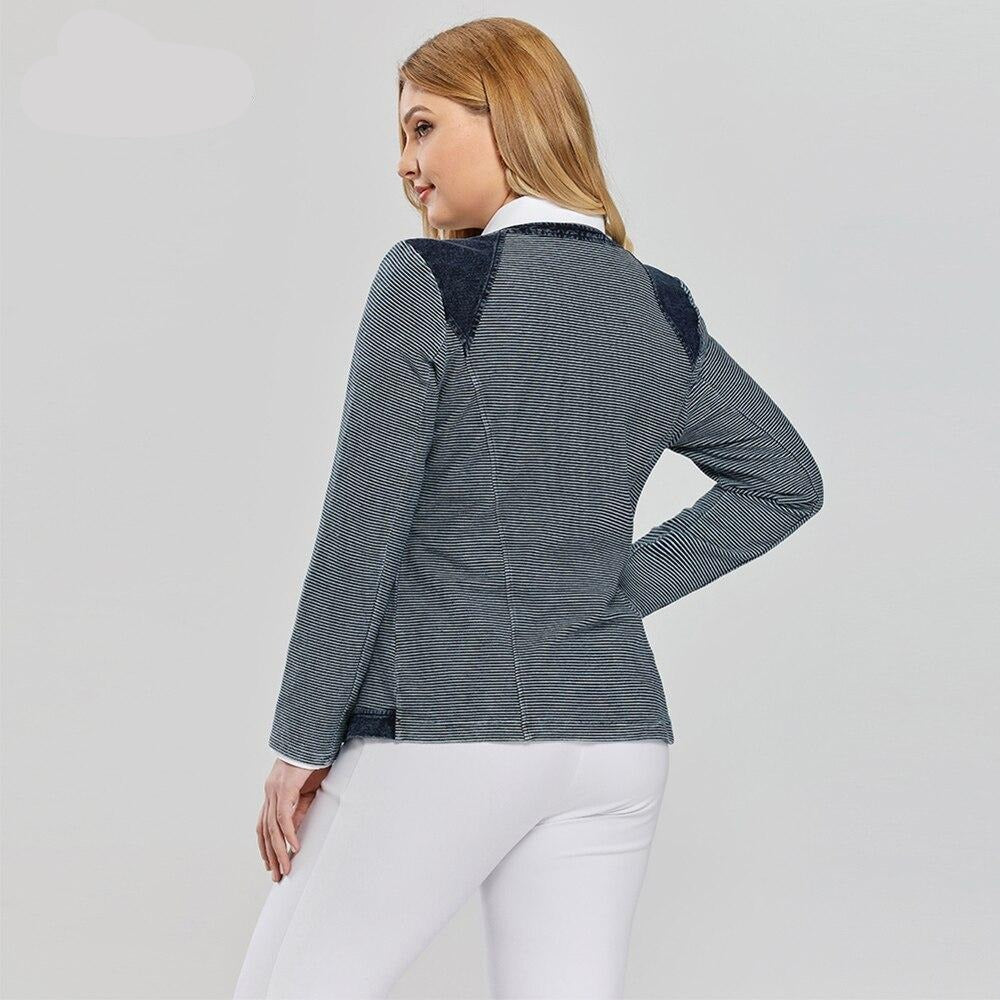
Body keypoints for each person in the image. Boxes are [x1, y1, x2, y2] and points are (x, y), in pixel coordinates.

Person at [233, 16, 824, 1000]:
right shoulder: (658, 304)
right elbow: (783, 476)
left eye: (424, 127)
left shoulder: (432, 283)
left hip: (444, 725)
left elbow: (358, 534)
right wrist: (606, 595)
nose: (405, 163)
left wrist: (299, 740)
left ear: (505, 118)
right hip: (615, 739)